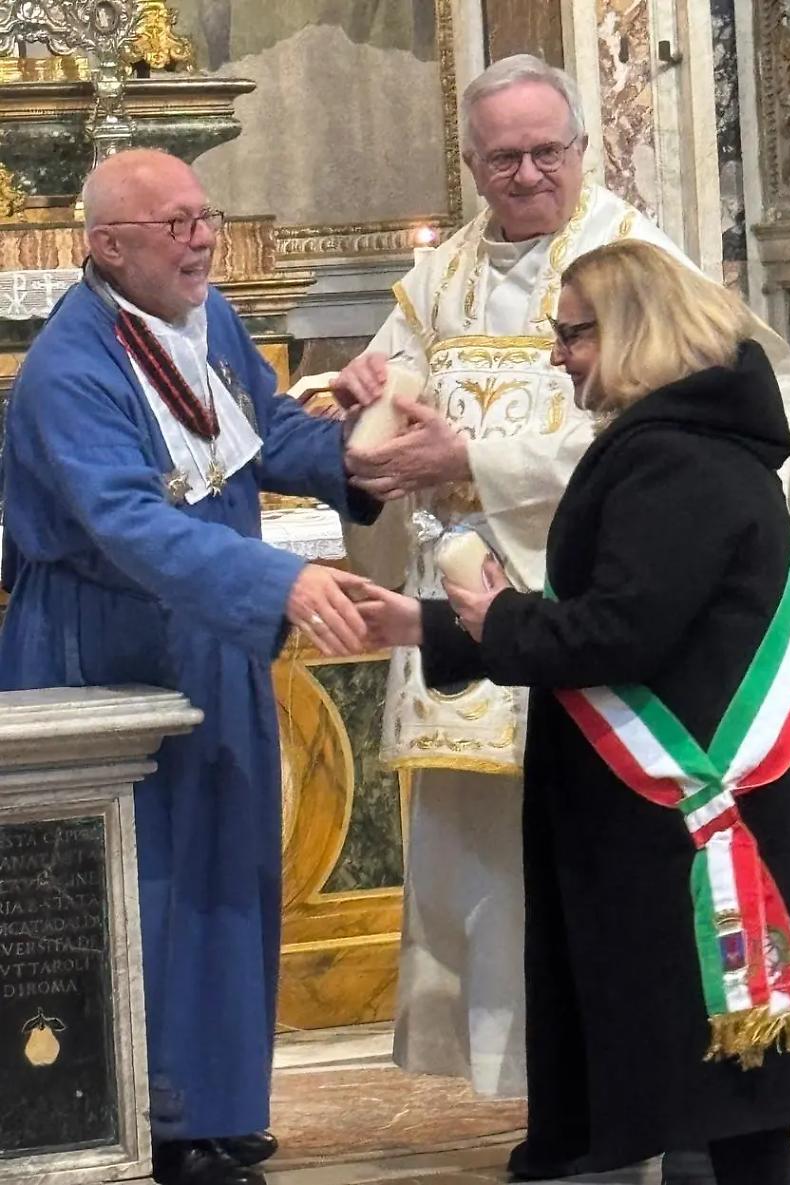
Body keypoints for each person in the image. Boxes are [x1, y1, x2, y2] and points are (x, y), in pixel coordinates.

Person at [359, 241, 790, 1185]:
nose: (557, 356)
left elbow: (621, 632)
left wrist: (496, 616)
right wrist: (430, 625)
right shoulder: (681, 444)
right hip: (678, 813)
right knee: (723, 1094)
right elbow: (613, 616)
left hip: (690, 810)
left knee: (737, 1095)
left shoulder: (674, 461)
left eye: (571, 333)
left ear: (630, 332)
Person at [338, 51, 790, 1101]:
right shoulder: (440, 276)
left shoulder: (632, 262)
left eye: (548, 151)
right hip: (467, 624)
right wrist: (362, 412)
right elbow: (381, 411)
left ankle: (626, 1097)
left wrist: (473, 462)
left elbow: (664, 448)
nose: (528, 174)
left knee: (592, 869)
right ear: (470, 163)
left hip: (594, 624)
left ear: (583, 149)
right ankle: (541, 1099)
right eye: (504, 157)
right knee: (487, 878)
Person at [0, 149, 384, 1185]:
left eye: (204, 216)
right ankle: (145, 1112)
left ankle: (218, 1104)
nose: (202, 237)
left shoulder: (204, 322)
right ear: (107, 245)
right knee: (149, 886)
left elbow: (259, 433)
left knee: (230, 874)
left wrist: (364, 453)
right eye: (173, 224)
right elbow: (123, 520)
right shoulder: (71, 368)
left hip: (210, 630)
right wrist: (273, 580)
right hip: (106, 648)